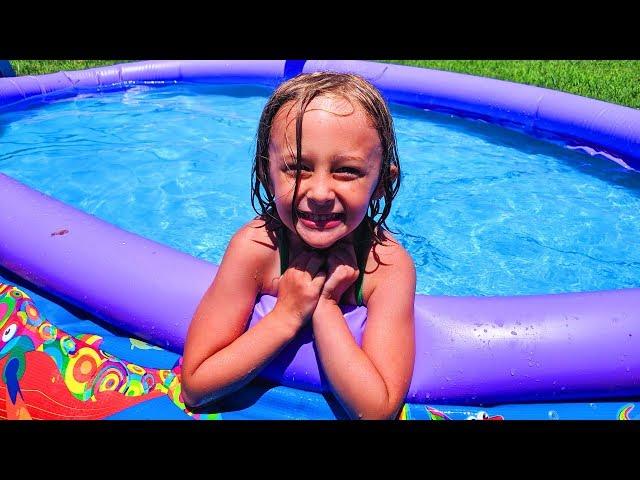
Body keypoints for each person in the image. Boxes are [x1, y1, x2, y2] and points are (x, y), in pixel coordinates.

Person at [181, 72, 416, 419]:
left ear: (382, 182)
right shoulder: (256, 249)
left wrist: (324, 307)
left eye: (347, 171)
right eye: (297, 168)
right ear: (266, 173)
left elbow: (377, 410)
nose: (319, 193)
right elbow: (196, 386)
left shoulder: (388, 267)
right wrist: (287, 316)